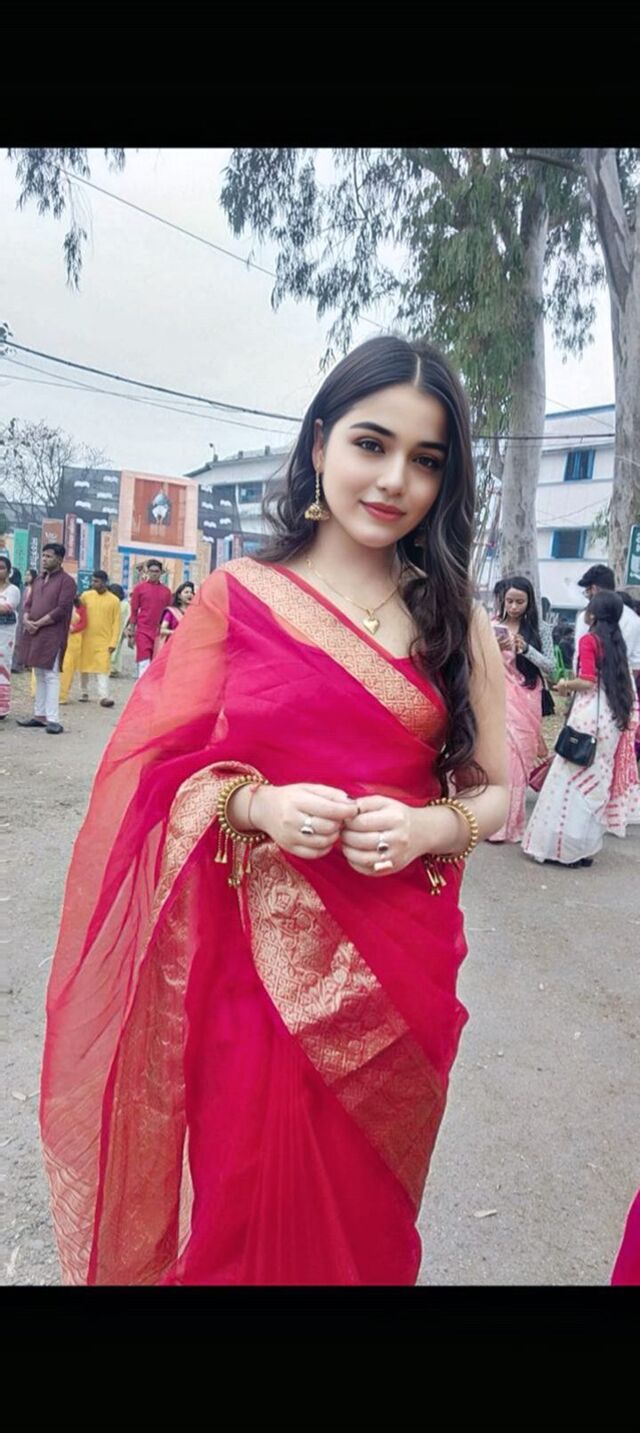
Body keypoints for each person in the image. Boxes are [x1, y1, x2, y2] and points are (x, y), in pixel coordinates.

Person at [40, 333, 508, 1287]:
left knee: (364, 1223)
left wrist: (429, 827)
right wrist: (254, 803)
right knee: (246, 1201)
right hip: (250, 973)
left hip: (399, 974)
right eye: (371, 444)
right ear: (321, 442)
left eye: (426, 460)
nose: (395, 480)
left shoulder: (455, 616)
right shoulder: (237, 597)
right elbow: (149, 778)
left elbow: (497, 789)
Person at [523, 592, 639, 865]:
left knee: (569, 782)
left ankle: (561, 850)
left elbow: (586, 681)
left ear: (593, 613)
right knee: (596, 782)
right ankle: (584, 849)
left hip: (587, 716)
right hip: (611, 718)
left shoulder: (589, 640)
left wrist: (565, 685)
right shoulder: (617, 643)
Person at [487, 576, 555, 843]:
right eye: (510, 601)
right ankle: (493, 822)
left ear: (529, 603)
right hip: (497, 696)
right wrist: (493, 646)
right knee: (500, 760)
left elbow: (551, 666)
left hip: (527, 698)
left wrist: (526, 649)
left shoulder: (540, 628)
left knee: (519, 761)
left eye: (520, 602)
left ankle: (511, 824)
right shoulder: (492, 625)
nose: (514, 607)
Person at [16, 543, 75, 735]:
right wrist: (26, 619)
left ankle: (53, 720)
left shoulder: (67, 581)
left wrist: (39, 623)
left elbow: (62, 609)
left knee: (51, 674)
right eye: (43, 555)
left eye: (49, 556)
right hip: (34, 631)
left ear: (59, 559)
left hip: (53, 633)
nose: (44, 559)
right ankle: (39, 715)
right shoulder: (38, 580)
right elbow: (28, 604)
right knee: (39, 672)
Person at [575, 564, 640, 674]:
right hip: (623, 682)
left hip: (590, 682)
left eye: (587, 592)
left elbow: (579, 659)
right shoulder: (633, 619)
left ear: (594, 589)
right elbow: (635, 665)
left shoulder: (586, 617)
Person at [78, 571, 121, 708]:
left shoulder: (114, 600)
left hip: (104, 640)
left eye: (96, 581)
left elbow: (116, 623)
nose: (93, 583)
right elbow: (78, 612)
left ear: (104, 582)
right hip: (85, 638)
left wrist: (113, 642)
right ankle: (84, 692)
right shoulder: (86, 596)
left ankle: (103, 696)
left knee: (103, 668)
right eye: (92, 581)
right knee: (84, 666)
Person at [128, 558, 169, 677]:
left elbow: (169, 613)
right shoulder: (139, 589)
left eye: (156, 571)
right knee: (144, 660)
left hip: (159, 631)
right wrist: (131, 633)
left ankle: (151, 684)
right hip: (143, 630)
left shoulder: (166, 592)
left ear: (161, 573)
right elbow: (134, 611)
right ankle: (142, 684)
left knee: (156, 661)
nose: (154, 574)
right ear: (147, 572)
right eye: (151, 571)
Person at [0, 554, 21, 718]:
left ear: (8, 571)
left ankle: (2, 708)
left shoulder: (13, 590)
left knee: (2, 667)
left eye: (2, 568)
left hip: (5, 635)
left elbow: (7, 608)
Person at [59, 596, 88, 704]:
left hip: (73, 640)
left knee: (67, 668)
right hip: (57, 637)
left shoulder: (80, 606)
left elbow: (84, 623)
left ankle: (62, 695)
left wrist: (72, 628)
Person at [155, 581, 195, 652]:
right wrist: (176, 632)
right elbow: (162, 630)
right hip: (174, 648)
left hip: (190, 648)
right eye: (186, 592)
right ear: (179, 596)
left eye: (191, 592)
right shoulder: (171, 612)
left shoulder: (194, 612)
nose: (190, 594)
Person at [108, 583, 131, 678]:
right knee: (114, 649)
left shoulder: (124, 604)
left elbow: (129, 616)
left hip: (119, 629)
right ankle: (112, 668)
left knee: (116, 649)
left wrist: (127, 628)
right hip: (111, 628)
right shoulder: (113, 603)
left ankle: (113, 668)